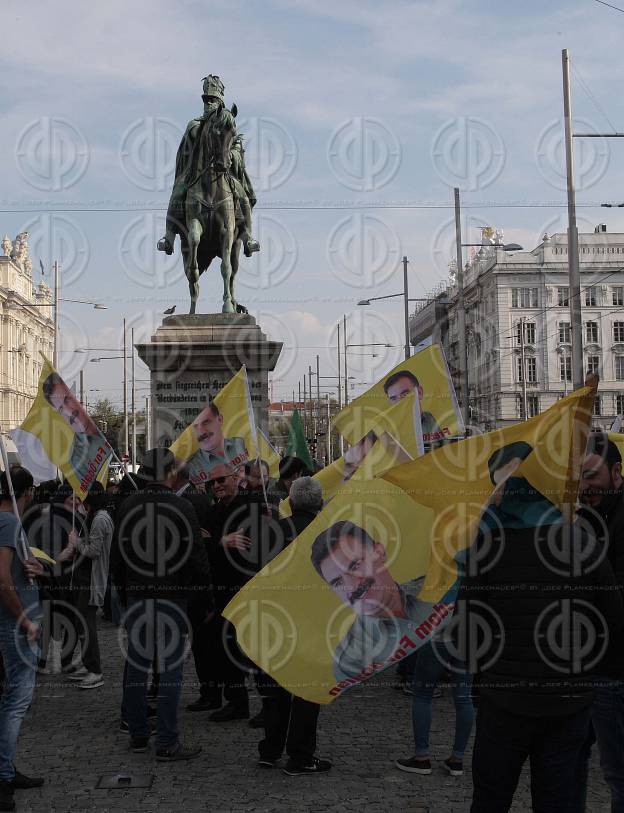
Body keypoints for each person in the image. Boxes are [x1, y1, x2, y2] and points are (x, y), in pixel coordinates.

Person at [461, 489, 623, 812]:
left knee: (491, 799)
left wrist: (483, 677)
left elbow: (466, 631)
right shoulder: (586, 546)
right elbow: (614, 626)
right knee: (557, 801)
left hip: (503, 705)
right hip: (566, 707)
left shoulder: (490, 546)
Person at [111, 448, 213, 761]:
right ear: (169, 473)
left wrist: (124, 591)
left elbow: (117, 556)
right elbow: (197, 556)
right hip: (172, 597)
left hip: (139, 596)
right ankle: (167, 741)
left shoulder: (127, 504)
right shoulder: (182, 506)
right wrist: (206, 598)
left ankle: (139, 734)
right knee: (170, 671)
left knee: (137, 668)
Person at [256, 477, 332, 775]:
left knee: (276, 690)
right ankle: (300, 756)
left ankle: (270, 749)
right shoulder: (325, 534)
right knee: (306, 690)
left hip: (276, 621)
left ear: (292, 500)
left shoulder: (274, 530)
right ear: (320, 502)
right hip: (311, 624)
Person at [311, 521, 435, 682]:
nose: (352, 586)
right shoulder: (349, 661)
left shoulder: (434, 590)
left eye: (355, 565)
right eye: (337, 582)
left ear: (379, 552)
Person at [157, 74, 259, 258]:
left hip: (224, 171)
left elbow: (234, 142)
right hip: (196, 174)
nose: (209, 103)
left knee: (242, 196)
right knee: (178, 192)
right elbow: (184, 151)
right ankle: (169, 237)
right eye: (206, 99)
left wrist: (231, 153)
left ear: (220, 101)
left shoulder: (227, 120)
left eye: (213, 99)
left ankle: (248, 237)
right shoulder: (194, 124)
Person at [576, 431, 624, 811]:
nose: (584, 485)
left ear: (616, 473)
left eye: (592, 475)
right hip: (587, 668)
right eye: (579, 477)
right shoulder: (586, 520)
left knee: (618, 774)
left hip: (614, 670)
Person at [0, 467, 45, 811]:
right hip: (15, 626)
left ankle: (6, 768)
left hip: (13, 623)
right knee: (17, 701)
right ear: (26, 492)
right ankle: (2, 777)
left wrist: (32, 567)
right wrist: (25, 620)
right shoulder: (10, 523)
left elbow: (13, 570)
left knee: (13, 699)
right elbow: (2, 579)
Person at [63, 483, 114, 690]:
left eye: (82, 498)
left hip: (91, 581)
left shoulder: (100, 519)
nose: (79, 503)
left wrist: (76, 542)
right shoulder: (95, 516)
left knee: (86, 625)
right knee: (81, 622)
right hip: (84, 579)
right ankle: (88, 665)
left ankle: (95, 671)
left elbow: (93, 551)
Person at [41, 372, 111, 492]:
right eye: (61, 409)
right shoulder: (76, 458)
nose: (70, 412)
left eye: (67, 400)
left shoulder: (99, 441)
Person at [185, 402, 248, 487]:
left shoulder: (240, 443)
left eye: (206, 422)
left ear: (220, 420)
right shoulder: (191, 467)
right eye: (195, 426)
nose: (201, 432)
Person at [382, 370, 443, 442]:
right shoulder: (389, 436)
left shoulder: (431, 418)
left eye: (405, 395)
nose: (400, 402)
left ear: (419, 392)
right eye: (394, 399)